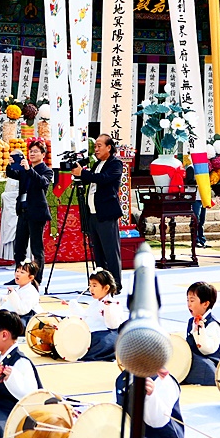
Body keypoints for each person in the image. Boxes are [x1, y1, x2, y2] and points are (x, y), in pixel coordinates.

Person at [0, 310, 41, 438]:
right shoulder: (2, 358)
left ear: (4, 335)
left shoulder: (21, 361)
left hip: (7, 411)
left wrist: (12, 377)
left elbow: (31, 394)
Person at [72, 135, 124, 293]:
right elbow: (89, 180)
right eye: (95, 146)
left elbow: (103, 178)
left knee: (111, 252)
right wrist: (77, 173)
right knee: (98, 253)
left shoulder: (115, 163)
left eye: (99, 146)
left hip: (106, 213)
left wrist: (83, 173)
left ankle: (115, 285)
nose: (96, 149)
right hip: (93, 214)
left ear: (109, 147)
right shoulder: (96, 164)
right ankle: (100, 285)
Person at [7, 139, 55, 283]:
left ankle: (36, 279)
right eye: (30, 151)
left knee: (36, 248)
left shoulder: (47, 170)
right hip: (23, 211)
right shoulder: (24, 168)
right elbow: (12, 174)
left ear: (43, 154)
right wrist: (10, 164)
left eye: (35, 151)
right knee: (19, 247)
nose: (32, 154)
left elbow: (42, 182)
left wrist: (29, 170)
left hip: (36, 212)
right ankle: (19, 276)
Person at [74, 269, 127, 362]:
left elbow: (112, 325)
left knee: (100, 341)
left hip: (107, 334)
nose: (91, 289)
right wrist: (73, 306)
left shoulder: (113, 303)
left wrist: (108, 309)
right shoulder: (95, 303)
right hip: (93, 332)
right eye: (90, 285)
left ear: (106, 288)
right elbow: (85, 317)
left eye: (94, 286)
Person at [183, 281, 220, 385]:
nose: (189, 304)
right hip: (195, 359)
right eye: (187, 300)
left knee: (205, 367)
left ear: (205, 304)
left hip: (211, 362)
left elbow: (207, 349)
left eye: (192, 300)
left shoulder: (213, 324)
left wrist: (200, 331)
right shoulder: (191, 321)